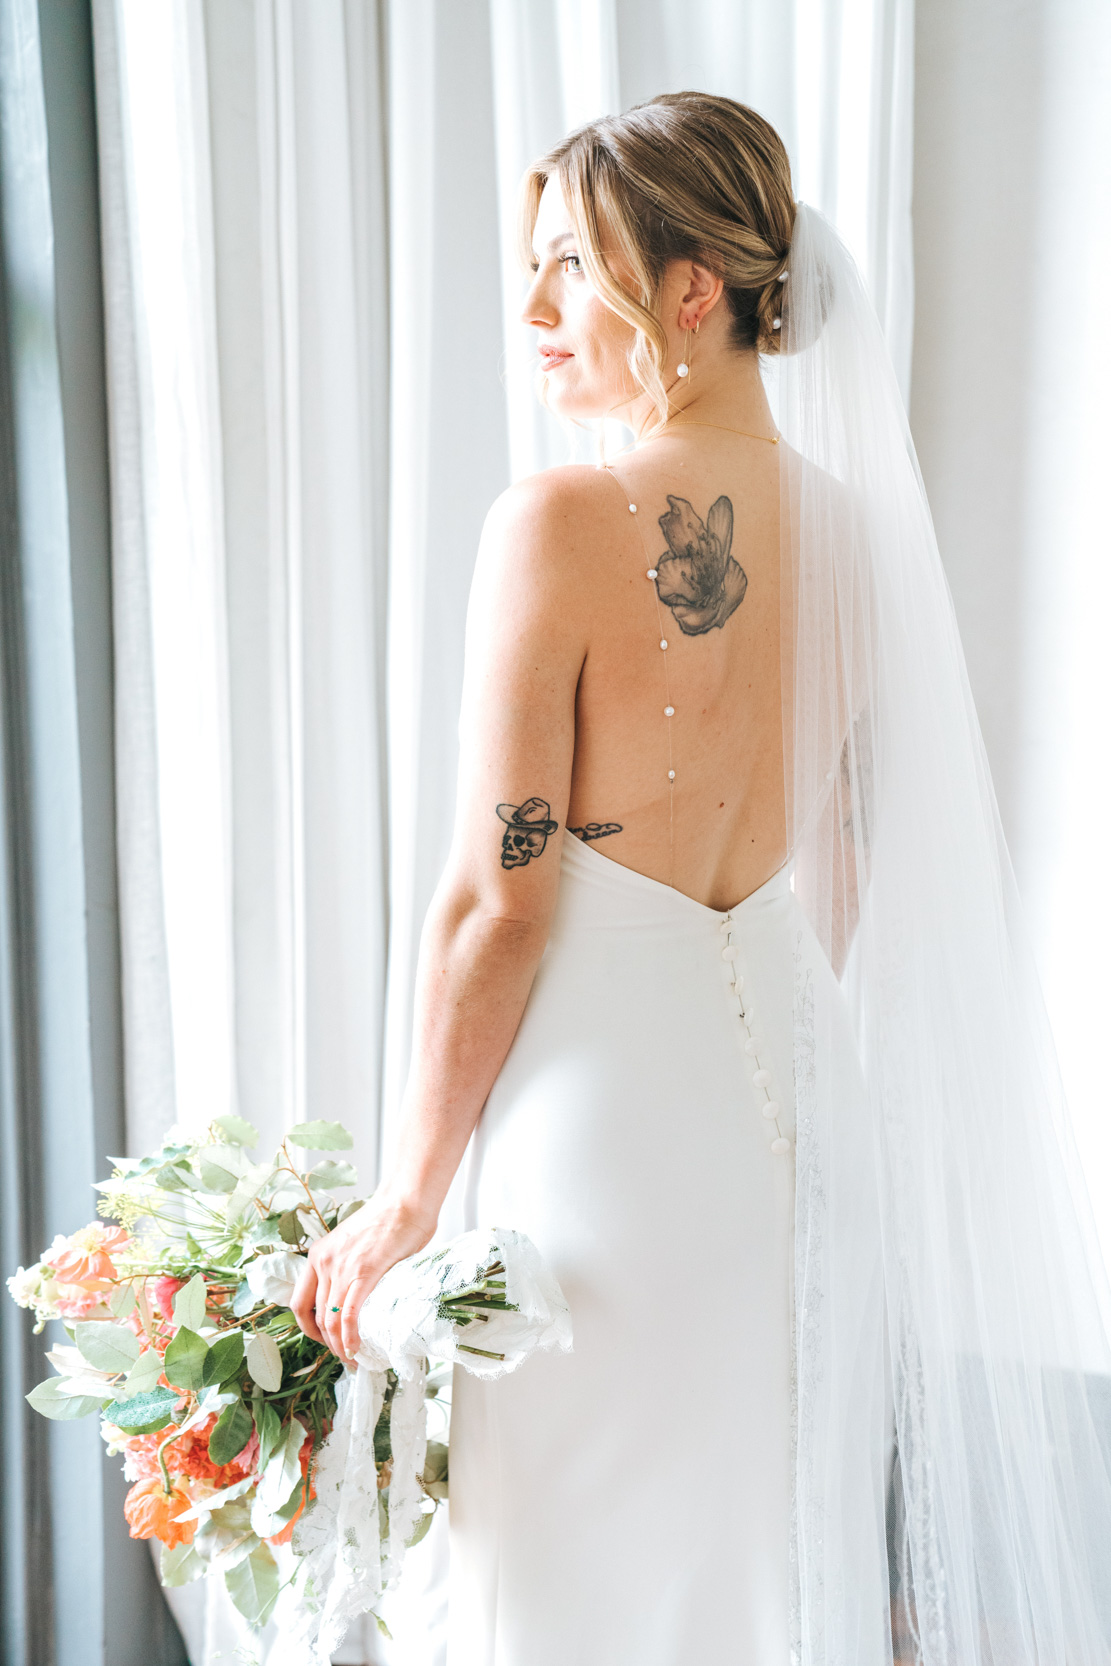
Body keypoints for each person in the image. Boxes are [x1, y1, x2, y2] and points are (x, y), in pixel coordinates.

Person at [293, 95, 1111, 1666]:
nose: (530, 312)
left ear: (689, 289)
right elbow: (861, 864)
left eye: (565, 268)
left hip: (608, 1144)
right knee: (754, 1570)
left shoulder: (556, 527)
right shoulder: (864, 539)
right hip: (806, 1130)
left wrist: (404, 1198)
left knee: (569, 1583)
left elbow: (496, 900)